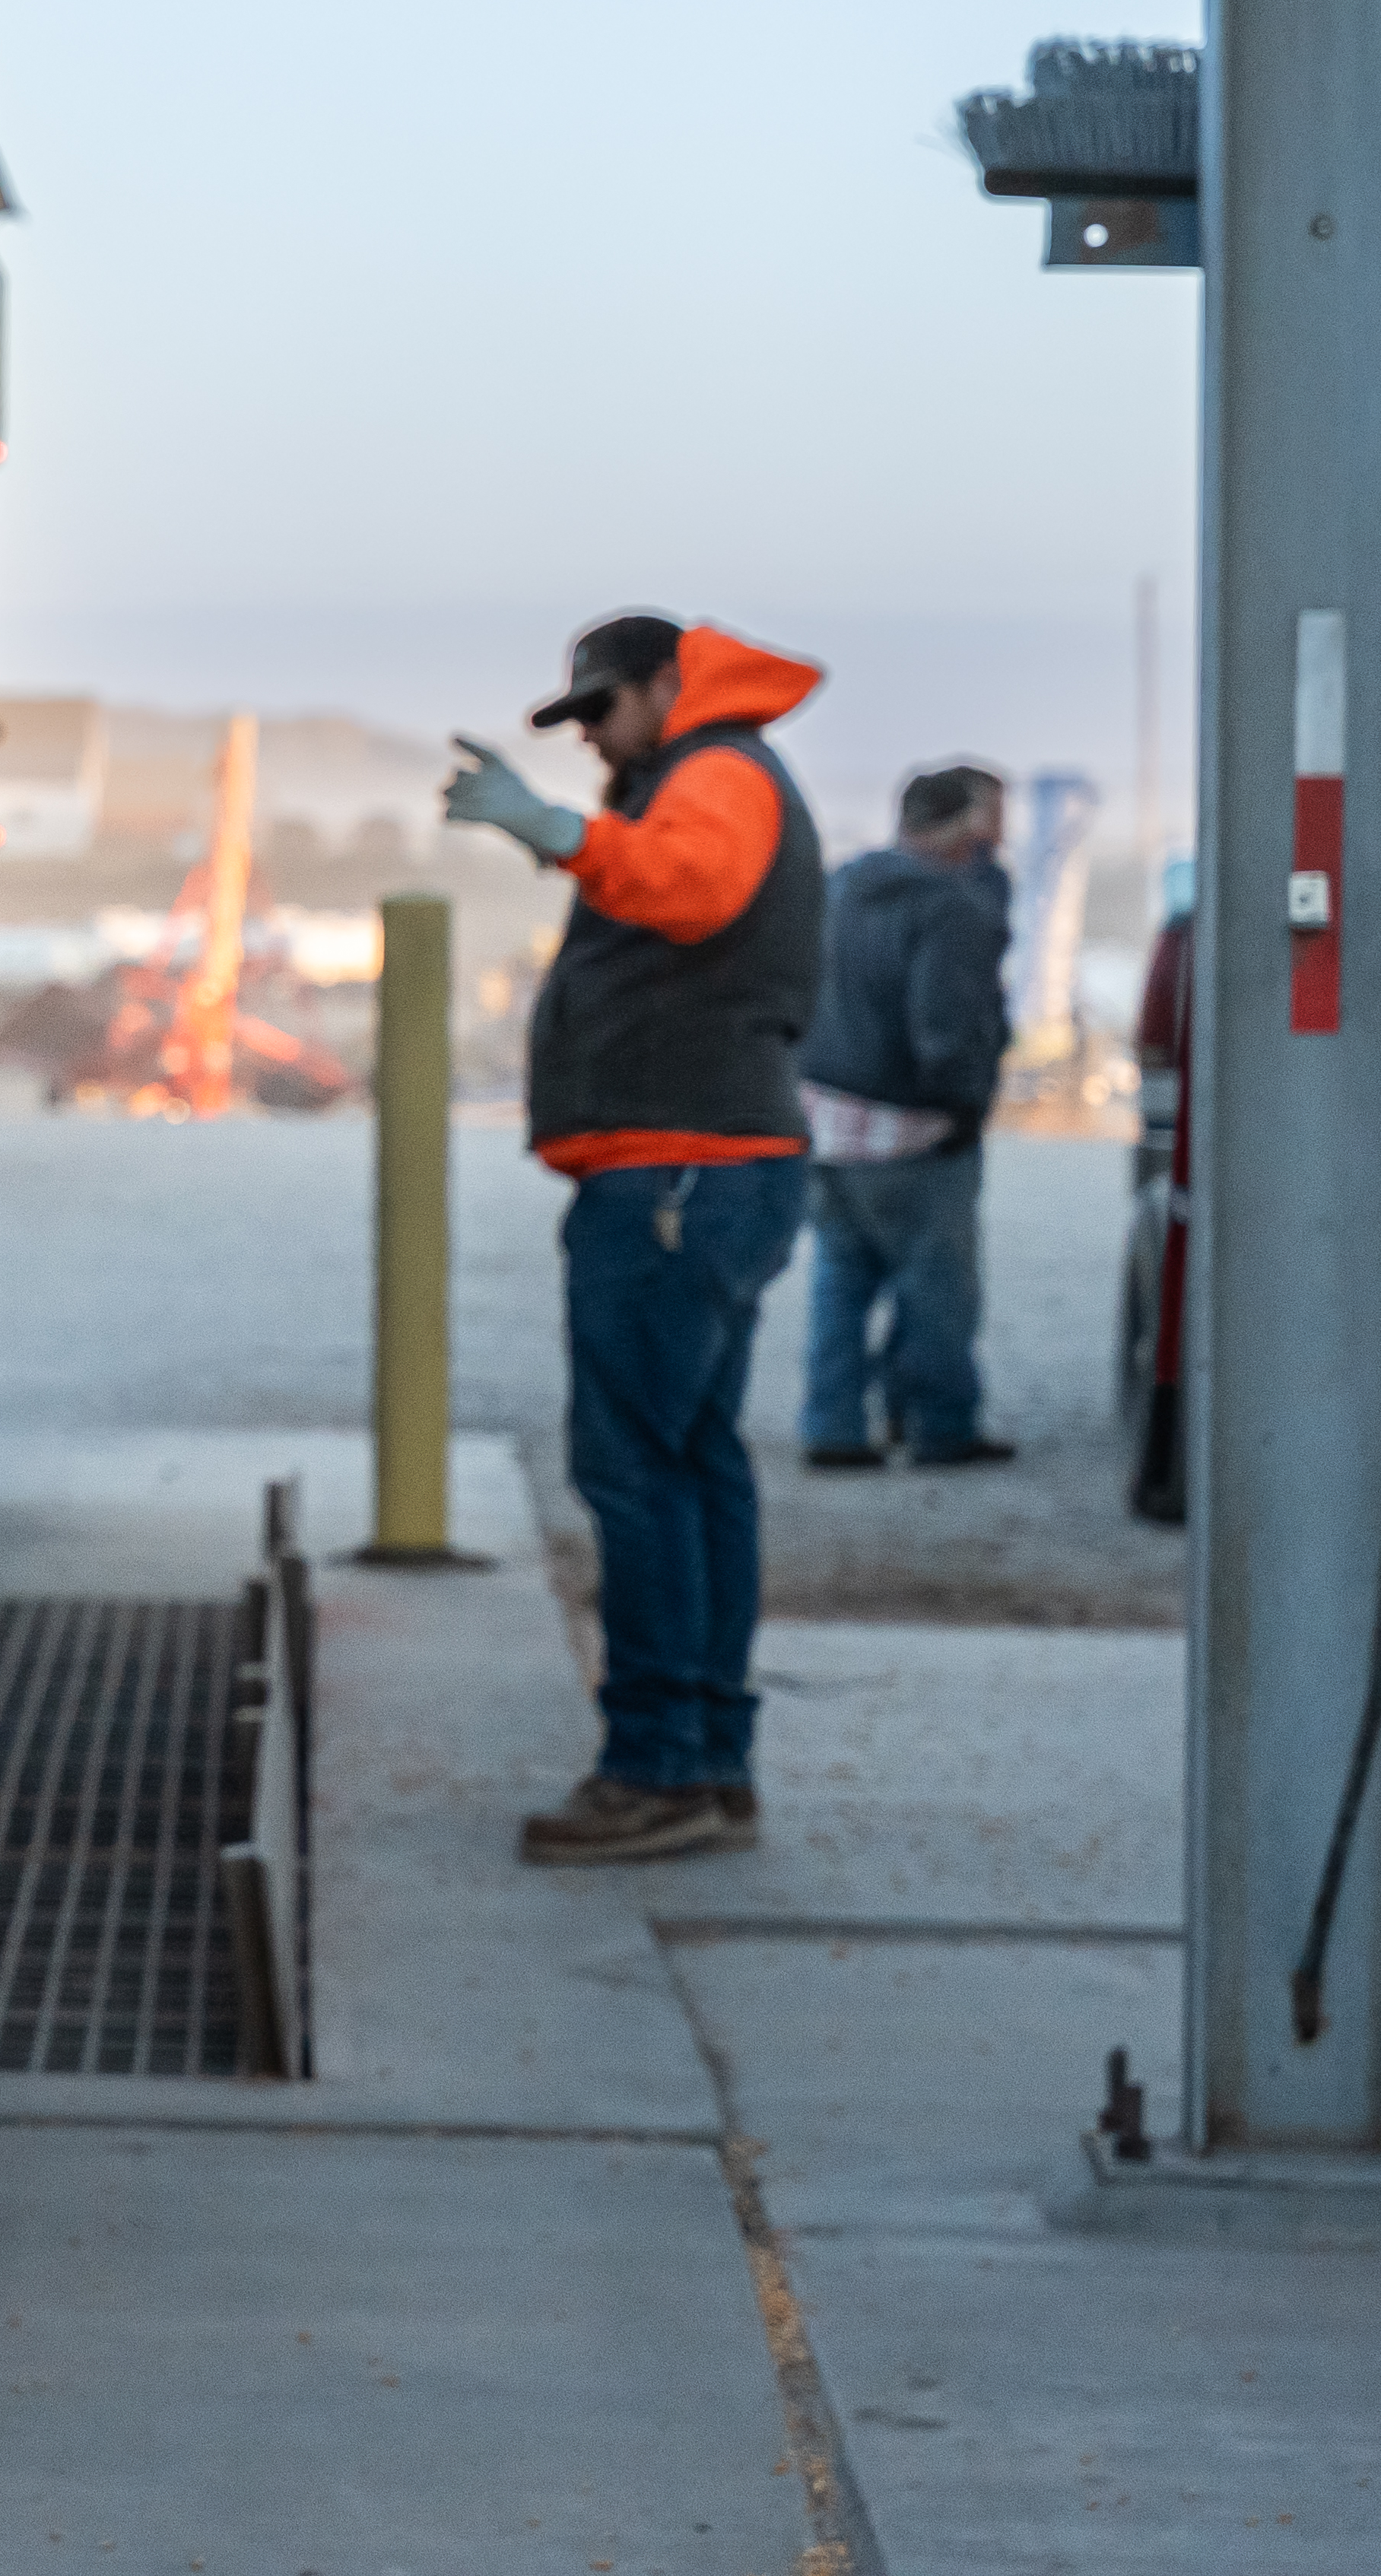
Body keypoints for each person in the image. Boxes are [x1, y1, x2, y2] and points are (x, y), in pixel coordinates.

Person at [440, 611, 829, 1867]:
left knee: (637, 1471)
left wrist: (548, 829)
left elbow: (685, 887)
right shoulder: (695, 776)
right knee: (688, 1463)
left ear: (669, 685)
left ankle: (659, 1766)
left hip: (675, 1174)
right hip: (701, 1169)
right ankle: (706, 1760)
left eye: (602, 711)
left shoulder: (715, 773)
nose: (593, 740)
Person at [797, 764, 1015, 1471]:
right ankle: (939, 1426)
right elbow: (946, 1027)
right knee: (938, 1292)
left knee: (840, 1281)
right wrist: (965, 1106)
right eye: (993, 818)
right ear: (967, 825)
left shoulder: (842, 887)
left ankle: (832, 1427)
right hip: (916, 1131)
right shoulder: (949, 907)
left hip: (828, 1123)